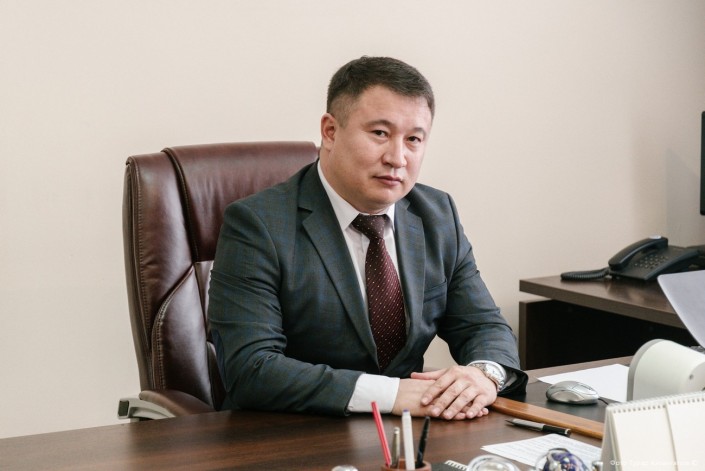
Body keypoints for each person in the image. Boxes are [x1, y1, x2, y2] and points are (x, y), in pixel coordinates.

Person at [208, 56, 527, 421]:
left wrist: (484, 374)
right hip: (290, 433)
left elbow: (483, 325)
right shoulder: (257, 224)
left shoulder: (437, 215)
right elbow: (251, 369)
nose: (397, 158)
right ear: (330, 131)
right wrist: (392, 394)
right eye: (380, 134)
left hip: (407, 434)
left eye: (414, 139)